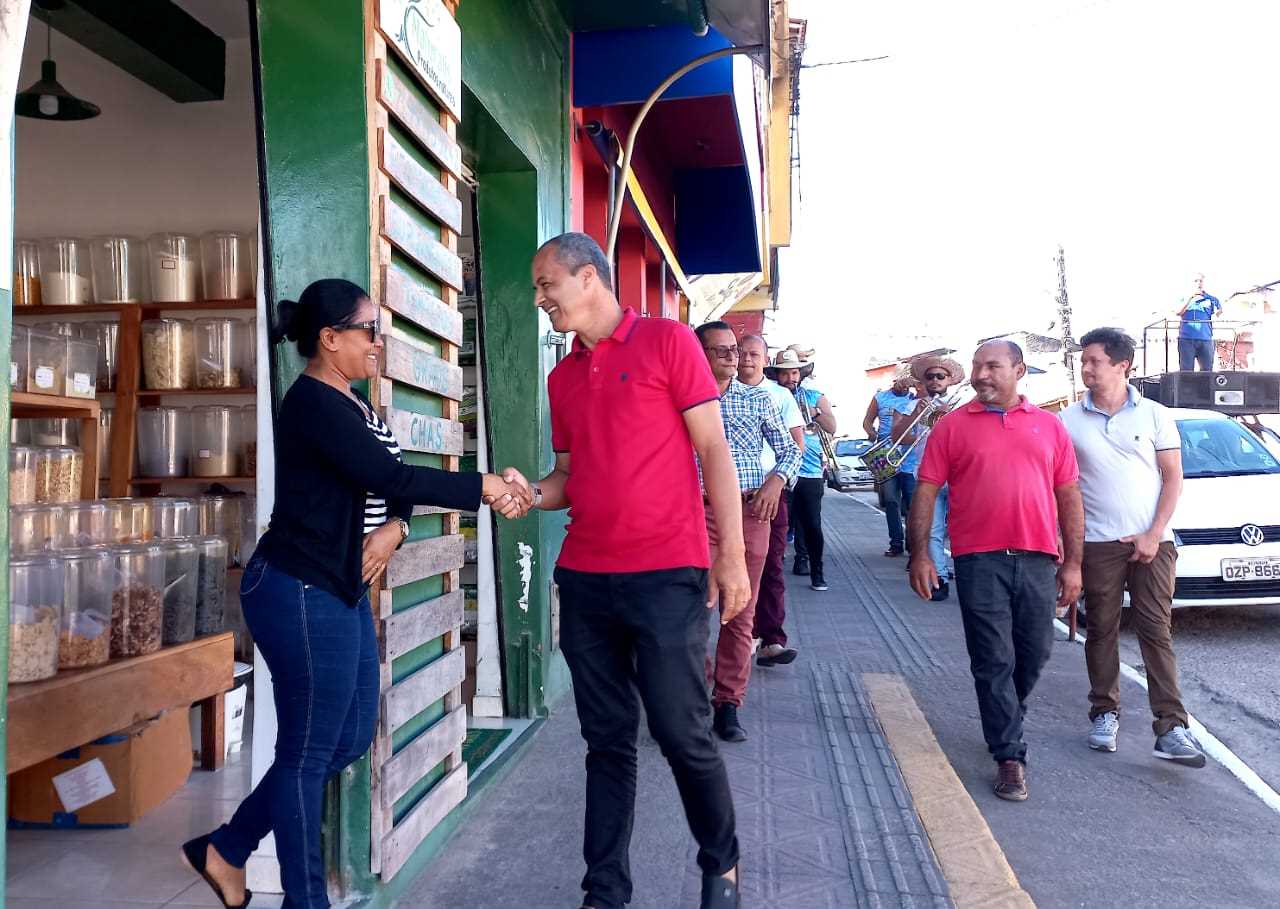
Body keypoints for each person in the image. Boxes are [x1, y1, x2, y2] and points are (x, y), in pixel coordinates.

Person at [180, 279, 530, 909]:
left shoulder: (356, 403)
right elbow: (390, 474)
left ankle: (227, 848)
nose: (378, 342)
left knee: (344, 740)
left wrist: (396, 528)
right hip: (298, 588)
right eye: (369, 330)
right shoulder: (313, 405)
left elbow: (391, 480)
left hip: (334, 589)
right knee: (308, 751)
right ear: (329, 338)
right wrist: (484, 486)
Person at [523, 233, 751, 909]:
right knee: (606, 742)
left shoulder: (668, 342)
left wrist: (730, 555)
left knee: (682, 731)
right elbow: (566, 478)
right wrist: (527, 492)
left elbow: (713, 450)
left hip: (666, 575)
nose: (540, 299)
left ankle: (722, 862)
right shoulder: (563, 376)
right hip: (585, 579)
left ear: (588, 277)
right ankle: (604, 891)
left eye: (546, 284)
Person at [907, 340, 1083, 802]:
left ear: (1019, 371)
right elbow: (926, 491)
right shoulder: (951, 427)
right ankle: (1009, 755)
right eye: (976, 366)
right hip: (978, 559)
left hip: (1038, 557)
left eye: (992, 366)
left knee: (1035, 651)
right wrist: (920, 554)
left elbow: (1068, 496)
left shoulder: (1050, 426)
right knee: (992, 659)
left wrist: (1074, 563)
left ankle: (1005, 714)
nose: (980, 374)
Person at [1061, 327, 1206, 766]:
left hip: (1154, 542)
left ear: (1122, 365)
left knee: (1155, 630)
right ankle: (1104, 714)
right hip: (1097, 542)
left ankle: (1172, 727)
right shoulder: (1067, 420)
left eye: (1094, 361)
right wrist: (1067, 550)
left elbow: (1173, 478)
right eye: (1083, 361)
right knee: (1101, 630)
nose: (1086, 368)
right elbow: (1061, 487)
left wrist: (1153, 532)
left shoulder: (1155, 415)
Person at [695, 323, 801, 741]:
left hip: (749, 511)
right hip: (697, 514)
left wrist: (777, 481)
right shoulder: (684, 400)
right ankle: (699, 685)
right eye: (720, 350)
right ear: (699, 354)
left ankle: (728, 703)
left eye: (734, 350)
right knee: (692, 610)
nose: (731, 356)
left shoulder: (758, 398)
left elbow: (791, 449)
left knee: (740, 611)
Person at [737, 334, 806, 668]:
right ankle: (742, 637)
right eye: (741, 352)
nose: (747, 359)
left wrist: (777, 483)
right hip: (728, 495)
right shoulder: (717, 392)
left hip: (771, 491)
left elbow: (796, 446)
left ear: (765, 360)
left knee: (771, 565)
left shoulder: (779, 396)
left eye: (754, 354)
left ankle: (772, 638)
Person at [889, 356, 966, 601]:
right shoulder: (916, 405)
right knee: (932, 530)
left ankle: (967, 575)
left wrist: (950, 416)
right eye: (930, 377)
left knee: (962, 530)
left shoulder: (962, 406)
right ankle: (939, 579)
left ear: (949, 380)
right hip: (927, 475)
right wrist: (915, 415)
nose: (935, 381)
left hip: (960, 476)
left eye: (940, 376)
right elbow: (897, 437)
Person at [767, 347, 836, 590]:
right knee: (779, 525)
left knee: (812, 524)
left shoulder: (814, 396)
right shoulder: (769, 395)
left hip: (809, 470)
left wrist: (815, 412)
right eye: (785, 373)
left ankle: (815, 570)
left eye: (794, 372)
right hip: (779, 470)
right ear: (777, 375)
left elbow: (832, 427)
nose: (790, 378)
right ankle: (775, 573)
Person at [863, 366, 916, 556]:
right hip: (885, 453)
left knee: (911, 503)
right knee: (891, 501)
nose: (902, 385)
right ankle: (896, 543)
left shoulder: (915, 398)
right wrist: (872, 433)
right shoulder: (880, 398)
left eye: (906, 381)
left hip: (909, 454)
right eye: (899, 380)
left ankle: (912, 544)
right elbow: (867, 421)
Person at [1176, 273, 1222, 371]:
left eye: (1201, 281)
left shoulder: (1211, 299)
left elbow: (1218, 313)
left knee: (1207, 372)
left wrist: (1218, 311)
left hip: (1206, 339)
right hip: (1187, 339)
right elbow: (1178, 312)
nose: (1198, 283)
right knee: (1186, 372)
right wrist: (1191, 297)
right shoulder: (1183, 298)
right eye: (1196, 281)